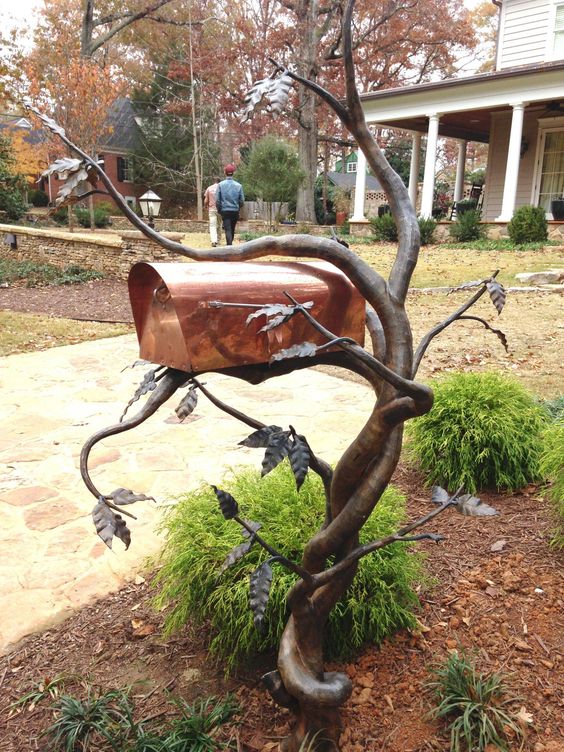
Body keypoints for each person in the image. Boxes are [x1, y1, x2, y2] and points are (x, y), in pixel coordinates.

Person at [216, 163, 244, 246]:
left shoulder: (220, 185)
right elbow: (242, 200)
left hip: (225, 210)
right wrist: (238, 207)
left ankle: (229, 246)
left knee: (228, 229)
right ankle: (230, 245)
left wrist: (219, 210)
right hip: (235, 211)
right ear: (233, 173)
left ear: (225, 172)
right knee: (232, 229)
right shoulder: (239, 186)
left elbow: (217, 200)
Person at [203, 177, 221, 247]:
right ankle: (218, 240)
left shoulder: (209, 188)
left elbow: (206, 200)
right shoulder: (221, 188)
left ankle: (214, 241)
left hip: (212, 209)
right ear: (219, 182)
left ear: (214, 181)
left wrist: (205, 206)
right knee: (219, 225)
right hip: (219, 209)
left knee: (212, 225)